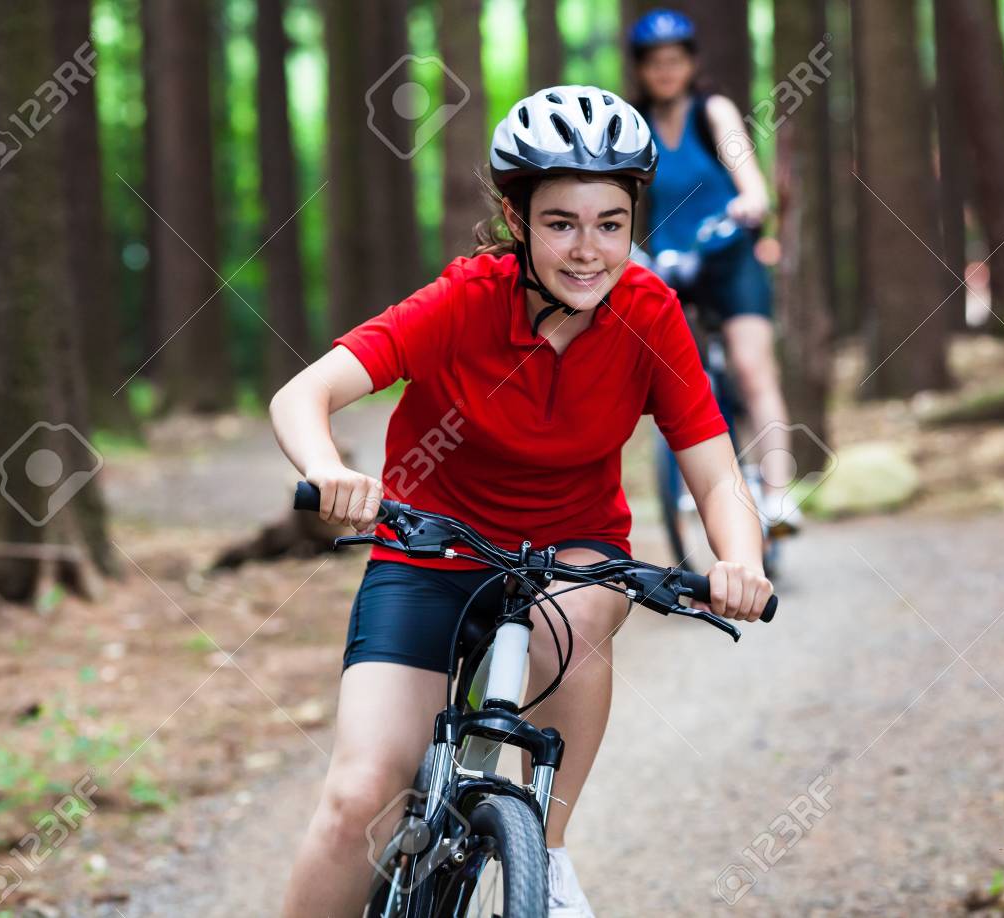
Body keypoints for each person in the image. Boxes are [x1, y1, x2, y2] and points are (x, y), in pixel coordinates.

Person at [270, 85, 773, 918]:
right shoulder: (465, 300)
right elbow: (303, 395)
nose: (588, 251)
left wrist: (740, 559)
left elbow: (716, 473)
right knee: (360, 796)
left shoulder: (651, 314)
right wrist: (331, 472)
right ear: (517, 217)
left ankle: (548, 847)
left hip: (570, 551)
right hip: (428, 549)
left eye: (611, 224)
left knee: (572, 618)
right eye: (561, 223)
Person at [629, 9, 802, 532]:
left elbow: (750, 179)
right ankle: (693, 484)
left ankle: (777, 494)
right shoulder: (635, 125)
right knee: (676, 380)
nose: (665, 71)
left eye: (674, 61)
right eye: (654, 62)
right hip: (671, 268)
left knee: (752, 368)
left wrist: (750, 201)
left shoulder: (714, 112)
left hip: (728, 257)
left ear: (691, 63)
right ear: (641, 68)